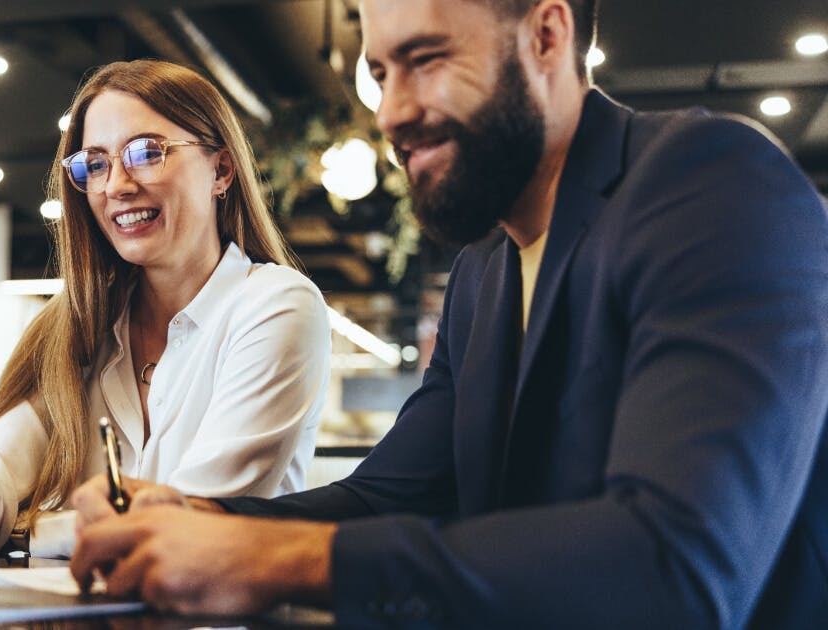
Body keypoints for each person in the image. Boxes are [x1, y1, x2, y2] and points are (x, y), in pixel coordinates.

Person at [68, 0, 828, 627]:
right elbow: (395, 492)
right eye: (378, 74)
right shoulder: (484, 271)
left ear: (546, 35)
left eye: (426, 60)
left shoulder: (714, 183)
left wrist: (277, 561)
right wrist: (197, 512)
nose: (393, 111)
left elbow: (678, 567)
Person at [0, 59, 331, 558]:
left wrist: (26, 534)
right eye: (95, 164)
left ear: (220, 170)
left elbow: (189, 522)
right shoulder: (81, 328)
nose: (116, 184)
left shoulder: (277, 307)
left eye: (146, 152)